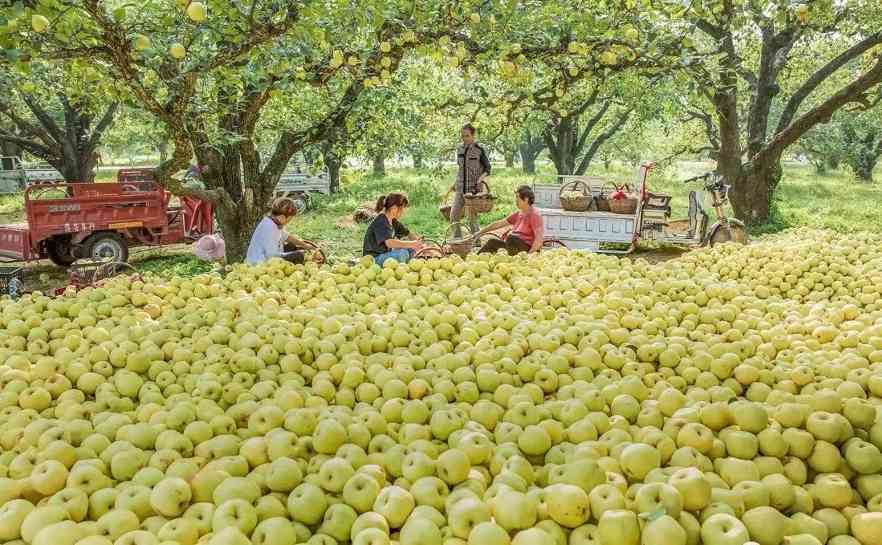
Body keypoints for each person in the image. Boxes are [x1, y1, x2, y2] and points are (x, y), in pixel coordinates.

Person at [446, 123, 491, 239]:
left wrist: (480, 179)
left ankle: (476, 241)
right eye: (462, 136)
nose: (464, 138)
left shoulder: (479, 150)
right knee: (454, 215)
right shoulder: (459, 149)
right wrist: (455, 184)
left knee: (472, 218)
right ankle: (457, 240)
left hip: (473, 190)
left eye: (467, 136)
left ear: (473, 135)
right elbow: (461, 169)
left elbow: (488, 168)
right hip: (460, 188)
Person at [476, 185, 544, 255]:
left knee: (511, 239)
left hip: (526, 249)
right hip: (513, 244)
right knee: (492, 242)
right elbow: (498, 224)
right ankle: (475, 259)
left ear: (526, 199)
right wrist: (479, 233)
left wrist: (529, 256)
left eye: (518, 197)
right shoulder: (519, 214)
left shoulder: (534, 215)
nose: (516, 200)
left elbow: (539, 240)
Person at [246, 197, 314, 265]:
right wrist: (297, 253)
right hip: (261, 262)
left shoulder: (272, 221)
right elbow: (272, 256)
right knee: (299, 256)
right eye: (289, 219)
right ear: (282, 217)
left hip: (271, 254)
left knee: (291, 246)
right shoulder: (270, 228)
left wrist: (305, 245)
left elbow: (287, 237)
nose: (289, 222)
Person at [363, 192, 422, 265]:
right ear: (394, 208)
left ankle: (405, 268)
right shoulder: (381, 220)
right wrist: (411, 244)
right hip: (374, 259)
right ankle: (402, 268)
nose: (403, 212)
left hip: (385, 256)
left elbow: (408, 233)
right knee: (402, 253)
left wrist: (419, 244)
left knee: (411, 250)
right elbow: (389, 243)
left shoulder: (393, 221)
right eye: (402, 209)